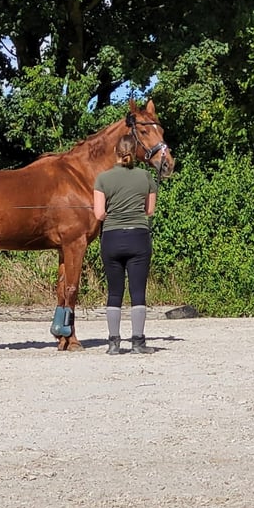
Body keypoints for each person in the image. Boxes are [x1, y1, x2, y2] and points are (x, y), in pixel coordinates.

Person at [93, 134, 158, 355]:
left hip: (112, 238)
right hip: (138, 237)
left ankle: (113, 343)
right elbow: (149, 211)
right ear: (134, 152)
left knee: (114, 292)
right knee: (138, 292)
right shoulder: (146, 176)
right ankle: (138, 342)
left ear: (115, 152)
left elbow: (99, 214)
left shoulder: (103, 179)